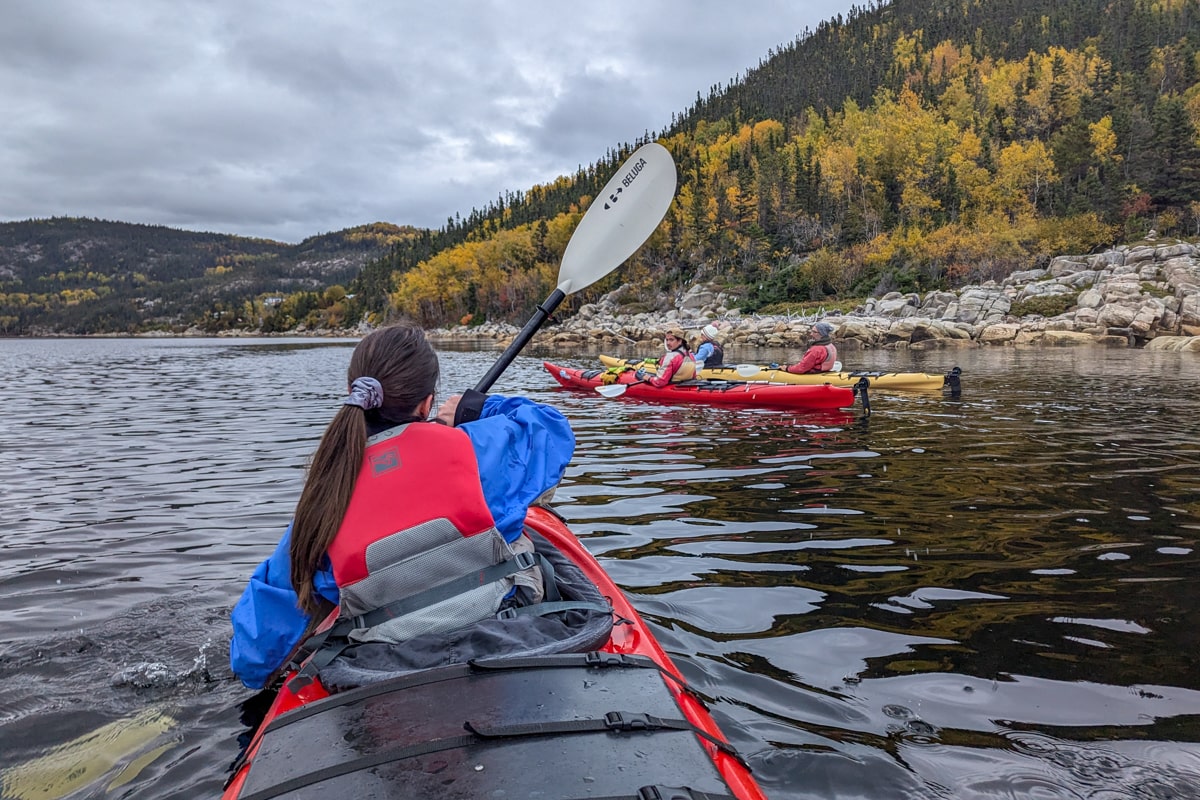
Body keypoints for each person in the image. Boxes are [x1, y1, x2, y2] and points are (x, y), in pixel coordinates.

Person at [228, 322, 575, 690]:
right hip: (499, 621)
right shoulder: (475, 449)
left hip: (384, 657)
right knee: (519, 533)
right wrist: (475, 409)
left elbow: (254, 658)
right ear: (426, 402)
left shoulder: (325, 498)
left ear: (353, 394)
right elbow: (551, 428)